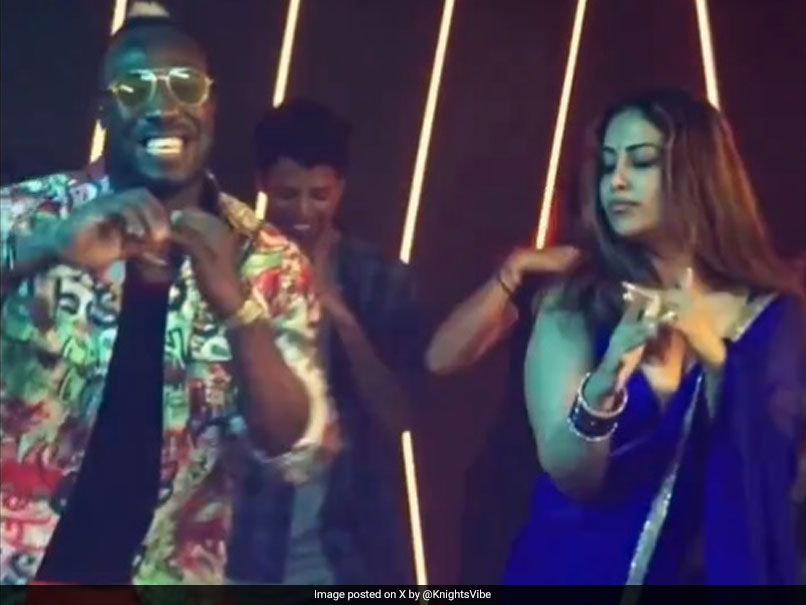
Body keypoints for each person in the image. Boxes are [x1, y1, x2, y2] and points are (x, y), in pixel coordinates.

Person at [0, 5, 334, 586]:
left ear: (211, 104)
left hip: (165, 580)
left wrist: (238, 308)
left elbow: (293, 452)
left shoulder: (270, 261)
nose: (163, 106)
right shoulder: (26, 215)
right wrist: (46, 247)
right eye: (134, 88)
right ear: (104, 111)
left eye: (185, 85)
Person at [503, 88, 805, 585]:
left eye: (641, 161)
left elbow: (775, 473)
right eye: (607, 164)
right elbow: (571, 476)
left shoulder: (770, 316)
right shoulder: (577, 302)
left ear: (699, 174)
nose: (616, 181)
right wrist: (604, 386)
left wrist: (719, 362)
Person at [226, 99, 428, 584]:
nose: (302, 212)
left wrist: (342, 318)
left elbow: (399, 415)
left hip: (340, 548)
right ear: (261, 184)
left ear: (341, 187)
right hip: (239, 538)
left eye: (319, 195)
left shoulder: (378, 278)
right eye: (286, 194)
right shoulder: (229, 271)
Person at [425, 242, 579, 582]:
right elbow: (441, 357)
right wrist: (512, 271)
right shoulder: (554, 276)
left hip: (606, 493)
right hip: (514, 487)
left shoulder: (672, 290)